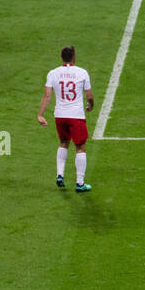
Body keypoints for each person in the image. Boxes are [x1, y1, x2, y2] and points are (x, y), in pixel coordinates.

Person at [36, 45, 93, 192]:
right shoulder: (82, 73)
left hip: (60, 115)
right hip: (76, 116)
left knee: (63, 143)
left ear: (62, 57)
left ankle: (60, 175)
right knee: (80, 147)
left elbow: (47, 96)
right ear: (73, 57)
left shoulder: (53, 73)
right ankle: (80, 183)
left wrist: (40, 114)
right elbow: (89, 95)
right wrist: (90, 105)